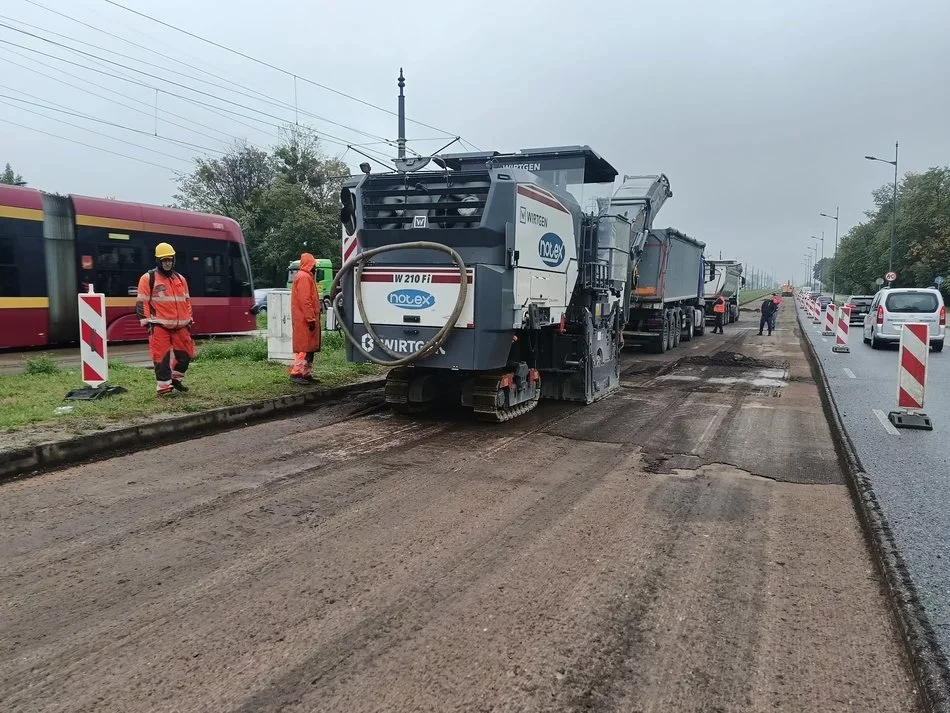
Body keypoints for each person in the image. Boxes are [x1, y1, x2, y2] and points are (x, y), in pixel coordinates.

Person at [135, 242, 195, 396]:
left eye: (169, 260)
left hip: (181, 326)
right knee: (161, 358)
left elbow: (186, 301)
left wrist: (189, 319)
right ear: (158, 261)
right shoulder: (148, 278)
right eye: (164, 260)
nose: (167, 263)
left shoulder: (180, 279)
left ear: (173, 260)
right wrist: (147, 322)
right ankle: (163, 388)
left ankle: (175, 379)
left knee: (186, 355)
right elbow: (142, 302)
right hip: (159, 325)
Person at [289, 252, 322, 383]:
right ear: (310, 264)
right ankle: (296, 374)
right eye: (314, 264)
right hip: (305, 320)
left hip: (306, 319)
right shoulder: (304, 277)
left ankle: (305, 373)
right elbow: (305, 301)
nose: (315, 267)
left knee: (309, 349)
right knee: (304, 348)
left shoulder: (306, 276)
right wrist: (310, 319)